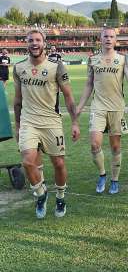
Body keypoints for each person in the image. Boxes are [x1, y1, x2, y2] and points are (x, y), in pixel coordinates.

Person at [13, 30, 80, 218]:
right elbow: (17, 100)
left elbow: (68, 96)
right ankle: (41, 194)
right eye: (30, 40)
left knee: (58, 163)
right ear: (26, 43)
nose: (34, 43)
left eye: (38, 40)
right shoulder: (18, 68)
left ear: (44, 43)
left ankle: (60, 197)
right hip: (28, 122)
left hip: (51, 122)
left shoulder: (56, 66)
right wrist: (18, 126)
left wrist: (74, 122)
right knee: (27, 161)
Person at [76, 28, 128, 195]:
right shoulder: (93, 59)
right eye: (106, 36)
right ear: (100, 39)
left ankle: (115, 180)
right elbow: (89, 84)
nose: (108, 39)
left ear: (116, 40)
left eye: (112, 37)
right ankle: (103, 174)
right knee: (94, 144)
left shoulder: (123, 59)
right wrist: (80, 106)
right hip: (98, 107)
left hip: (117, 107)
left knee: (115, 147)